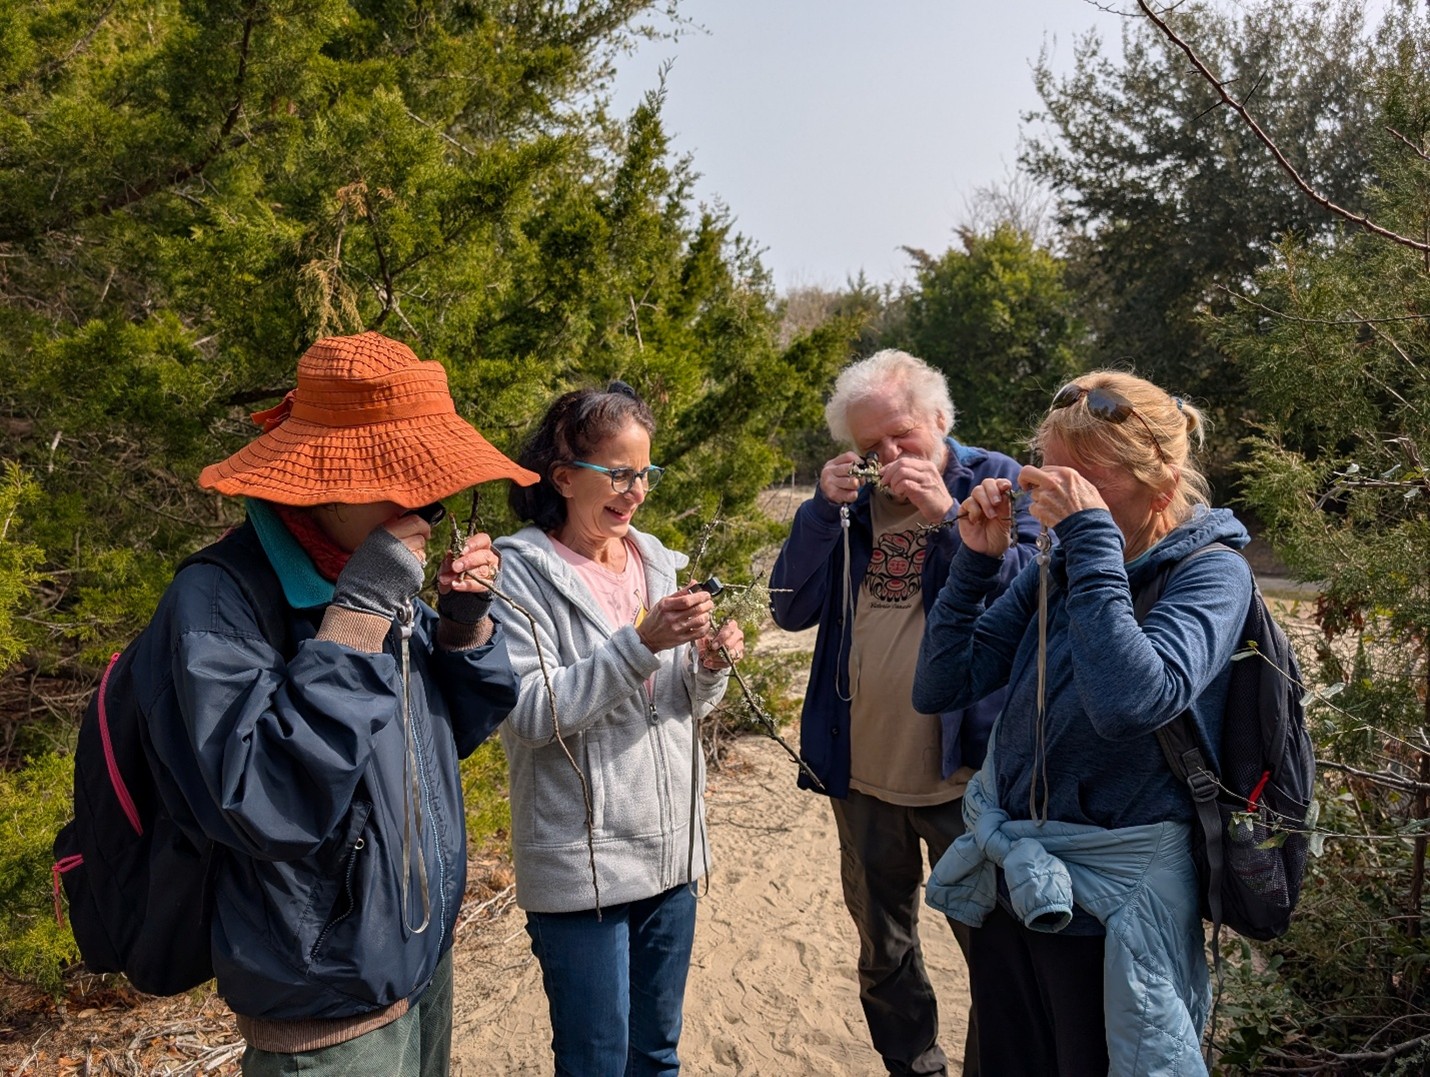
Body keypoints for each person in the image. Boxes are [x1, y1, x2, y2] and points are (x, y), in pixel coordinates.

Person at [137, 331, 537, 1075]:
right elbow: (263, 797)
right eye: (403, 475)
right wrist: (359, 613)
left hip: (419, 959)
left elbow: (441, 738)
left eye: (432, 476)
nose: (428, 499)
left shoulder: (366, 565)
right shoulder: (220, 598)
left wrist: (463, 625)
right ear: (323, 482)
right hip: (322, 1006)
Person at [915, 371, 1255, 1075]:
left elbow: (1130, 701)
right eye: (1049, 471)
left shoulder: (1212, 573)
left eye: (1081, 481)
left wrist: (1093, 539)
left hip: (1114, 903)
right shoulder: (1068, 561)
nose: (1052, 494)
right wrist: (975, 564)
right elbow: (942, 684)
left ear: (1158, 486)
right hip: (1019, 880)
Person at [769, 349, 1040, 1077]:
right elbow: (788, 609)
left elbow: (1033, 597)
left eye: (900, 437)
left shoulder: (997, 482)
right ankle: (911, 1065)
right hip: (861, 773)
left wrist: (949, 517)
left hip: (967, 775)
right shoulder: (848, 511)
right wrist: (821, 513)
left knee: (995, 952)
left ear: (941, 419)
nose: (886, 458)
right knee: (884, 950)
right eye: (868, 447)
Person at [493, 381, 743, 1077]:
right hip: (585, 871)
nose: (635, 491)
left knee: (657, 1056)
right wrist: (642, 641)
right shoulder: (519, 575)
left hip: (671, 857)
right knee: (596, 1061)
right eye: (619, 473)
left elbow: (683, 705)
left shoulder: (654, 558)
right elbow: (532, 714)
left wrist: (710, 664)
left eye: (646, 473)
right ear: (564, 476)